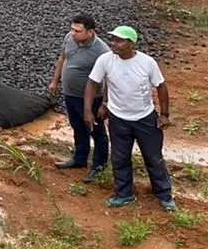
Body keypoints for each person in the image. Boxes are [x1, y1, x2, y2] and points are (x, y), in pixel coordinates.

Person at [85, 25, 176, 212]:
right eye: (112, 40)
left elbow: (161, 86)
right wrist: (90, 109)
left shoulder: (146, 62)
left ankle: (164, 195)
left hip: (145, 119)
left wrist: (164, 114)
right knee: (119, 158)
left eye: (119, 41)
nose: (114, 44)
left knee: (153, 157)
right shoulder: (105, 60)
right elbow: (93, 83)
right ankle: (124, 193)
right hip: (119, 119)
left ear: (131, 43)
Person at [49, 14, 109, 180]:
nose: (73, 33)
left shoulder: (102, 51)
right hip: (70, 94)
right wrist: (55, 81)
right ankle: (79, 159)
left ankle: (99, 166)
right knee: (78, 127)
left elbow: (109, 79)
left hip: (92, 99)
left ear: (90, 32)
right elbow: (62, 58)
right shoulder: (69, 38)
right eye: (72, 29)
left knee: (97, 132)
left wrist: (105, 103)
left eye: (78, 31)